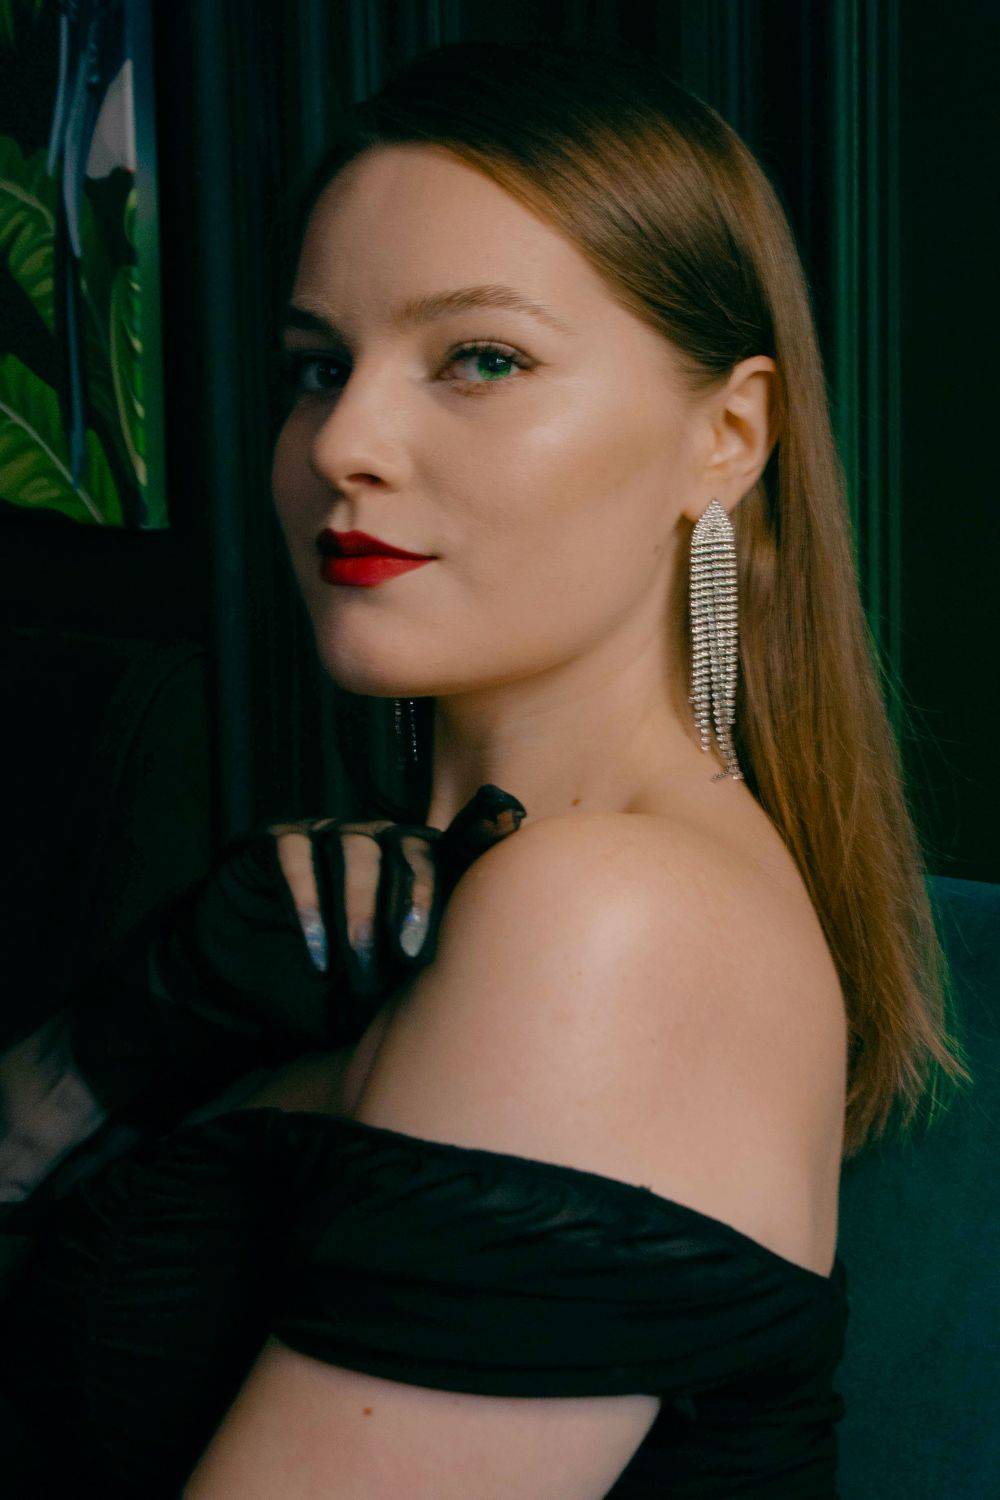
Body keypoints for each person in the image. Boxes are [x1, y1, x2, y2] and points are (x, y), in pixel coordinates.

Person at [0, 37, 968, 1498]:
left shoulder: (614, 920)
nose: (343, 441)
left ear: (726, 436)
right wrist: (116, 1041)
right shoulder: (440, 894)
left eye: (482, 359)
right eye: (317, 366)